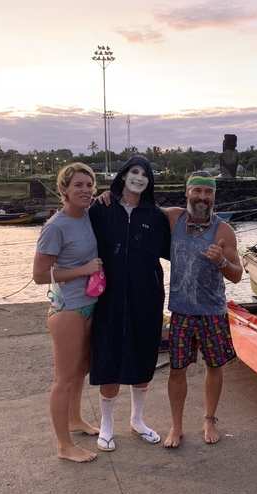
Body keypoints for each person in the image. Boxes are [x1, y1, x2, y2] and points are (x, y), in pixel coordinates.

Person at [89, 156, 171, 452]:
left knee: (142, 355)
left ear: (149, 181)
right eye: (134, 172)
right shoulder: (101, 208)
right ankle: (107, 424)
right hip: (107, 298)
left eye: (145, 174)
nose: (139, 177)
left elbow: (177, 248)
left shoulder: (155, 216)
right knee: (108, 357)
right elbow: (79, 237)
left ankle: (137, 420)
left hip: (146, 296)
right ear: (123, 176)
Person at [162, 174, 243, 448]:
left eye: (209, 192)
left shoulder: (224, 231)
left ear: (214, 197)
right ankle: (176, 426)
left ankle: (209, 418)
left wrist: (221, 261)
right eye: (197, 190)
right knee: (177, 369)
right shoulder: (174, 219)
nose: (203, 197)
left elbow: (237, 276)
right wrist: (107, 197)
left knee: (214, 366)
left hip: (212, 311)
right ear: (186, 192)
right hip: (181, 311)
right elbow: (138, 209)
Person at [32, 162, 101, 463]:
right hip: (68, 309)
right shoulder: (55, 226)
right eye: (78, 186)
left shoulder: (89, 216)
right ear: (64, 190)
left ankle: (75, 419)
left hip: (90, 304)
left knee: (81, 369)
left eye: (89, 185)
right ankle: (64, 445)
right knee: (63, 378)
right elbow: (39, 274)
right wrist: (83, 270)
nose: (85, 190)